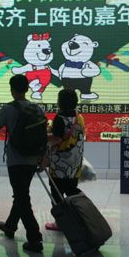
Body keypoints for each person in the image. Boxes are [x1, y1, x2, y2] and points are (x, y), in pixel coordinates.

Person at [0, 74, 44, 253]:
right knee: (21, 194)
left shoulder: (7, 108)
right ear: (27, 89)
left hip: (16, 160)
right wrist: (43, 158)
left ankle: (35, 238)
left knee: (22, 197)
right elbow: (43, 136)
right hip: (32, 159)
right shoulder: (38, 108)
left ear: (12, 89)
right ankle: (10, 227)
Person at [44, 88, 85, 231]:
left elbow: (57, 138)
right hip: (75, 162)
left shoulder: (60, 118)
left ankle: (61, 222)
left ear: (60, 102)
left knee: (57, 193)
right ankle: (82, 210)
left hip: (60, 164)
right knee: (71, 188)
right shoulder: (79, 116)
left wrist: (41, 135)